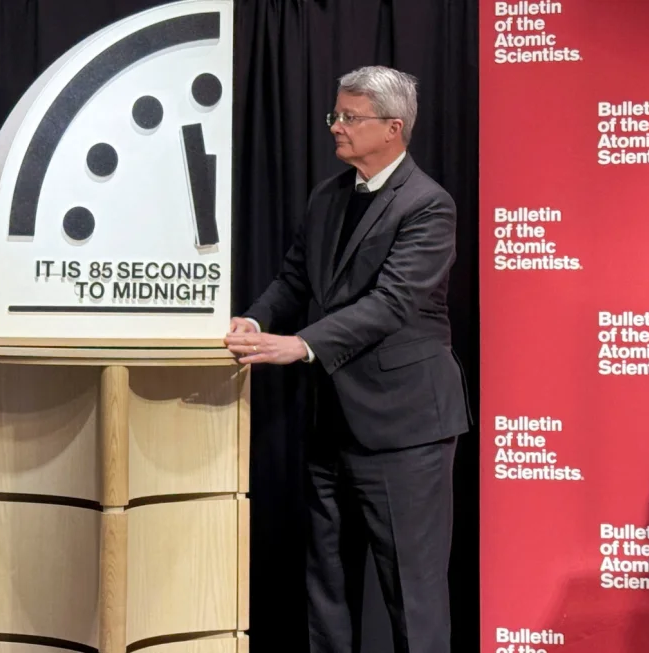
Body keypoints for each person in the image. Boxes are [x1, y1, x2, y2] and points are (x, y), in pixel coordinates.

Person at [225, 65, 470, 653]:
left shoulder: (429, 206)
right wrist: (255, 322)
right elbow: (292, 280)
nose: (335, 126)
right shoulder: (327, 197)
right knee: (326, 585)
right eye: (335, 114)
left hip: (406, 426)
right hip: (330, 420)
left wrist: (302, 344)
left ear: (393, 128)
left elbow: (391, 304)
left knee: (411, 590)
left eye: (348, 117)